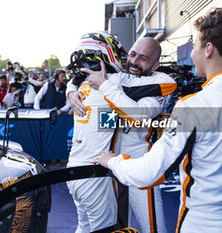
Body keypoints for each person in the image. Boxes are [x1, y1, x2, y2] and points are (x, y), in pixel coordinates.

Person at [94, 8, 222, 233]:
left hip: (203, 223)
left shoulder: (193, 105)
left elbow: (149, 171)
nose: (192, 54)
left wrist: (112, 161)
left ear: (208, 49)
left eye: (194, 46)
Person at [67, 32, 176, 233]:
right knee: (114, 227)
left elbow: (138, 114)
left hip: (139, 167)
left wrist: (104, 86)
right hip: (109, 167)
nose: (134, 62)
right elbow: (78, 79)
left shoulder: (152, 90)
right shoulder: (112, 81)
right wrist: (71, 91)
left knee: (153, 229)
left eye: (143, 58)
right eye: (132, 54)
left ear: (155, 66)